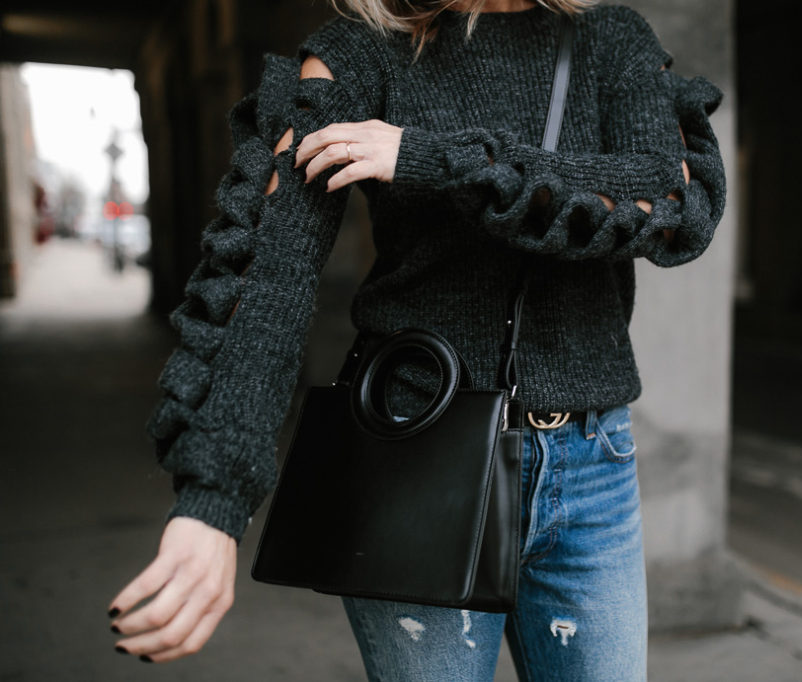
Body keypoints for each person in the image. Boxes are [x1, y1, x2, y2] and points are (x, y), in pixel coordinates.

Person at [107, 0, 725, 678]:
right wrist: (214, 503)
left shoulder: (611, 40)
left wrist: (435, 160)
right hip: (417, 453)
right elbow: (269, 275)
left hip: (591, 464)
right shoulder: (356, 52)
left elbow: (666, 204)